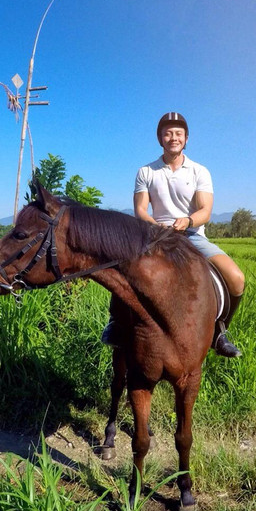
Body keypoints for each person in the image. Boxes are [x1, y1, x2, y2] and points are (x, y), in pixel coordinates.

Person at [105, 112, 245, 357]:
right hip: (155, 236)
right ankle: (116, 323)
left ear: (186, 138)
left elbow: (206, 211)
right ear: (160, 138)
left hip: (191, 236)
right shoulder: (146, 171)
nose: (173, 137)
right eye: (167, 133)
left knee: (236, 278)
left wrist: (188, 221)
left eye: (178, 133)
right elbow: (140, 209)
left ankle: (220, 331)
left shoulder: (199, 171)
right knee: (121, 268)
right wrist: (154, 226)